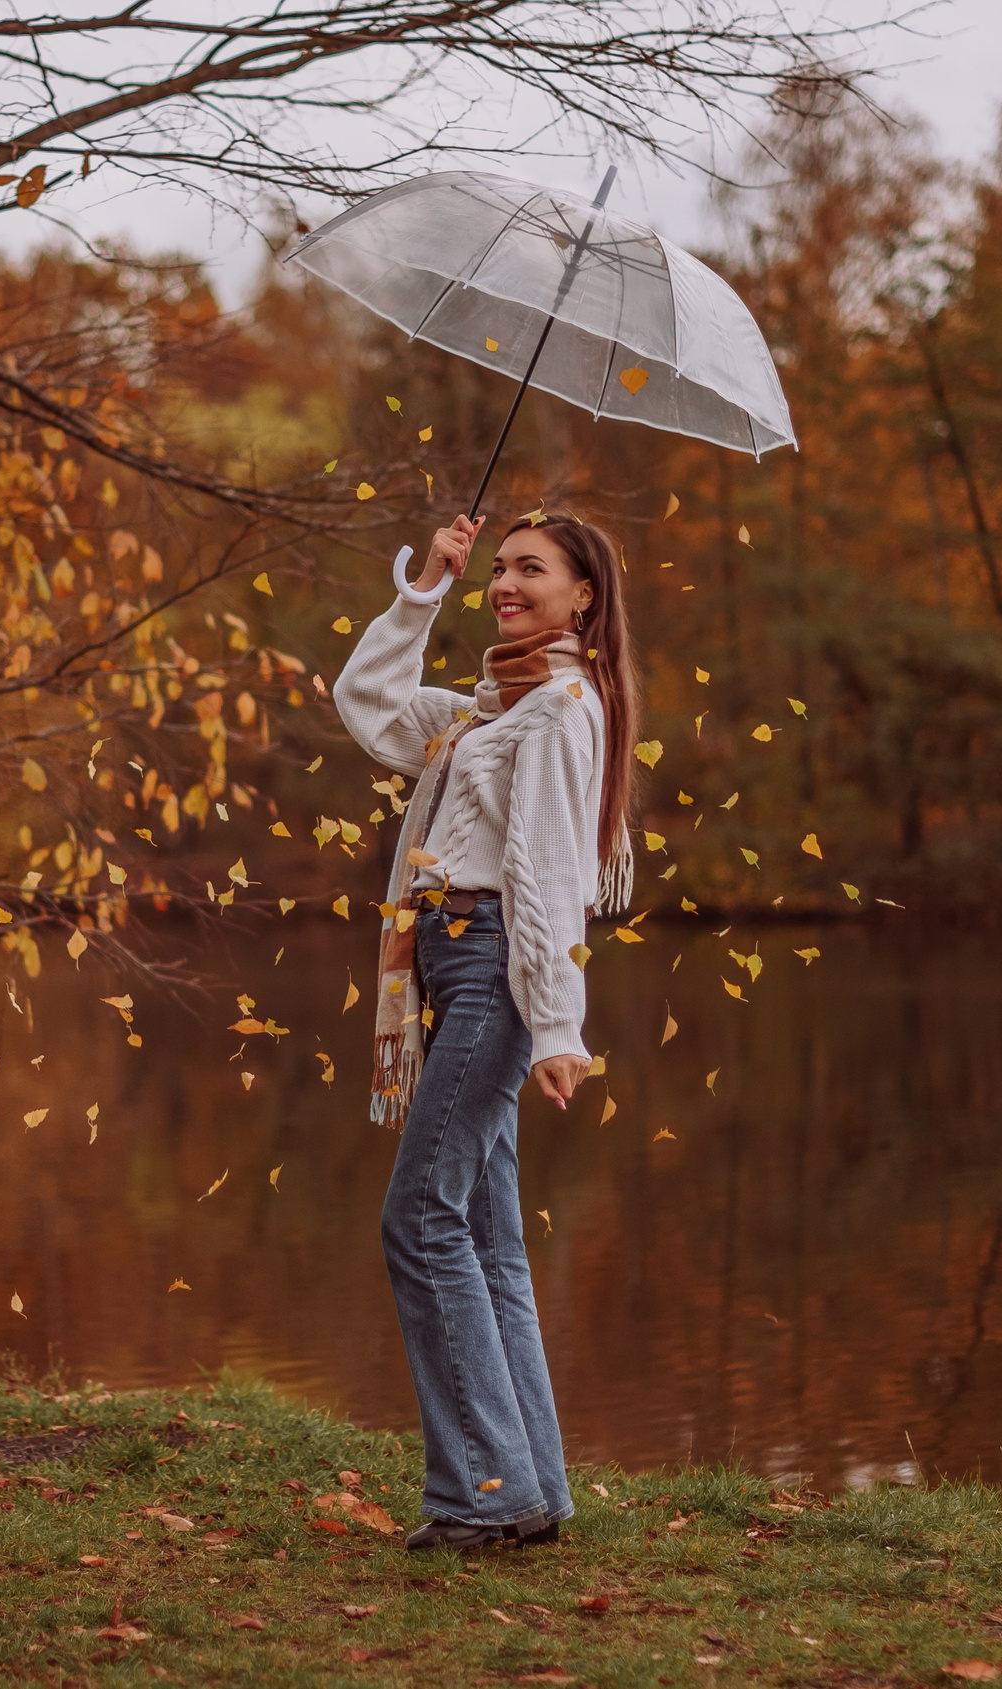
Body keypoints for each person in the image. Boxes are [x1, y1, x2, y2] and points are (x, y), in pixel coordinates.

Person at [331, 508, 639, 1552]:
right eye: (499, 567)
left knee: (420, 1218)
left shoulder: (556, 711)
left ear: (582, 596)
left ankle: (483, 1492)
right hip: (455, 959)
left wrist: (556, 1025)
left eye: (530, 569)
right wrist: (427, 588)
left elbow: (549, 873)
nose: (505, 583)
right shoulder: (486, 708)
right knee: (486, 1239)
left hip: (496, 967)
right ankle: (529, 1487)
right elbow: (369, 705)